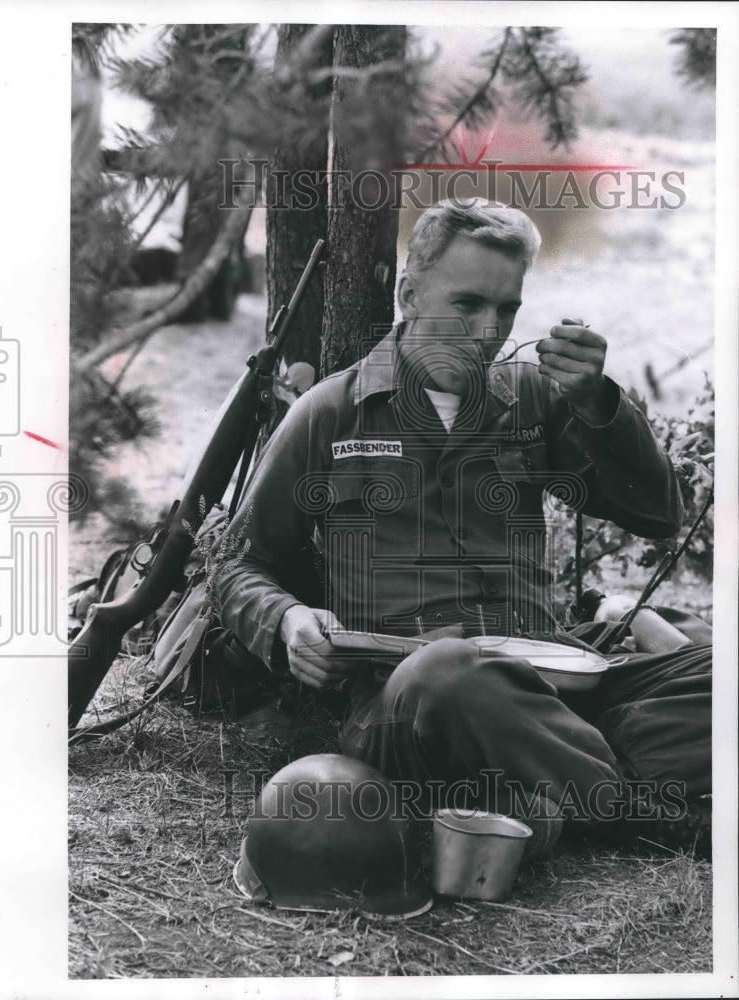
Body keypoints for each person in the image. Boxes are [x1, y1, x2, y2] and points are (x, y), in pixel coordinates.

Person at [215, 199, 711, 855]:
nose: (487, 332)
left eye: (506, 311)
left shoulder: (530, 399)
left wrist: (597, 404)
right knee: (448, 671)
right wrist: (285, 621)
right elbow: (236, 564)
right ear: (408, 294)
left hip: (550, 675)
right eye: (467, 304)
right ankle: (634, 809)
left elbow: (657, 515)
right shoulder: (330, 414)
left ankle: (555, 774)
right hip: (412, 700)